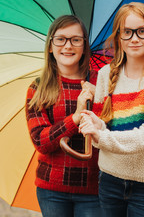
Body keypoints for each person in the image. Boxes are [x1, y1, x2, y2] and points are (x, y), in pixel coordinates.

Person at [79, 2, 144, 216]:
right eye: (127, 32)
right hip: (109, 179)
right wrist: (93, 122)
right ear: (118, 37)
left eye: (142, 31)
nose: (134, 39)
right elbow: (103, 125)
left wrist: (101, 136)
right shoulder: (106, 74)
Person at [25, 15, 100, 217]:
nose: (68, 45)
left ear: (84, 46)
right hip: (52, 188)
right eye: (61, 39)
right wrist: (75, 118)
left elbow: (110, 130)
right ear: (50, 46)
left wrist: (98, 101)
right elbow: (40, 140)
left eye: (76, 39)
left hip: (95, 187)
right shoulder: (39, 88)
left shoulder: (100, 83)